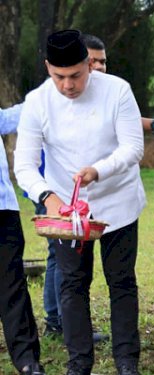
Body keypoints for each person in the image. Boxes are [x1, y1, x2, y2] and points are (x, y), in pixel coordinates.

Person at [15, 29, 145, 375]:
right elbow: (24, 164)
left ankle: (127, 361)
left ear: (89, 65)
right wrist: (47, 197)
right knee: (72, 283)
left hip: (117, 200)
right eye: (59, 77)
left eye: (75, 75)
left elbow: (133, 147)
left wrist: (97, 171)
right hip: (66, 209)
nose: (68, 85)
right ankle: (79, 362)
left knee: (121, 281)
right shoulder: (37, 101)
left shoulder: (117, 90)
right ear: (48, 68)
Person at [0, 105, 45, 375]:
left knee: (12, 285)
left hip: (2, 208)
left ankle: (27, 360)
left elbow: (8, 119)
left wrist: (51, 87)